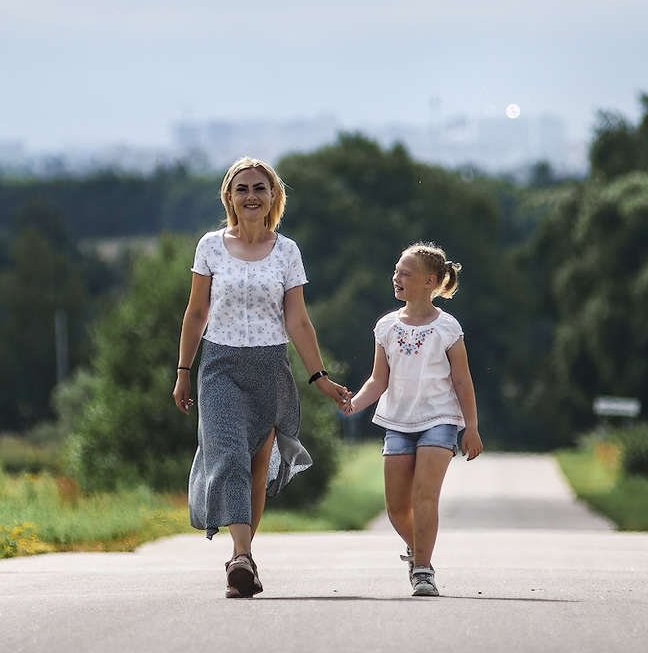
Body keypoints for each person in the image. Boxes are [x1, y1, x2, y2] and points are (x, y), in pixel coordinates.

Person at [173, 157, 350, 598]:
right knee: (229, 457)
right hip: (219, 367)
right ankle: (241, 557)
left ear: (273, 196)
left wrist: (320, 376)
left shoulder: (287, 251)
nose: (251, 196)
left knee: (257, 469)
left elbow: (299, 321)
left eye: (259, 188)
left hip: (270, 367)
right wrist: (183, 372)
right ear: (229, 197)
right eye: (242, 189)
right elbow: (196, 313)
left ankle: (243, 556)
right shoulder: (210, 247)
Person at [340, 243, 483, 596]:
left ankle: (422, 571)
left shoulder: (448, 328)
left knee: (424, 497)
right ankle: (422, 554)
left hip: (440, 420)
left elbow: (462, 380)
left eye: (406, 273)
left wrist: (472, 427)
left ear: (429, 281)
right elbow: (378, 380)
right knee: (396, 507)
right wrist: (353, 404)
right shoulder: (386, 326)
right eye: (396, 271)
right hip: (398, 422)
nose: (397, 278)